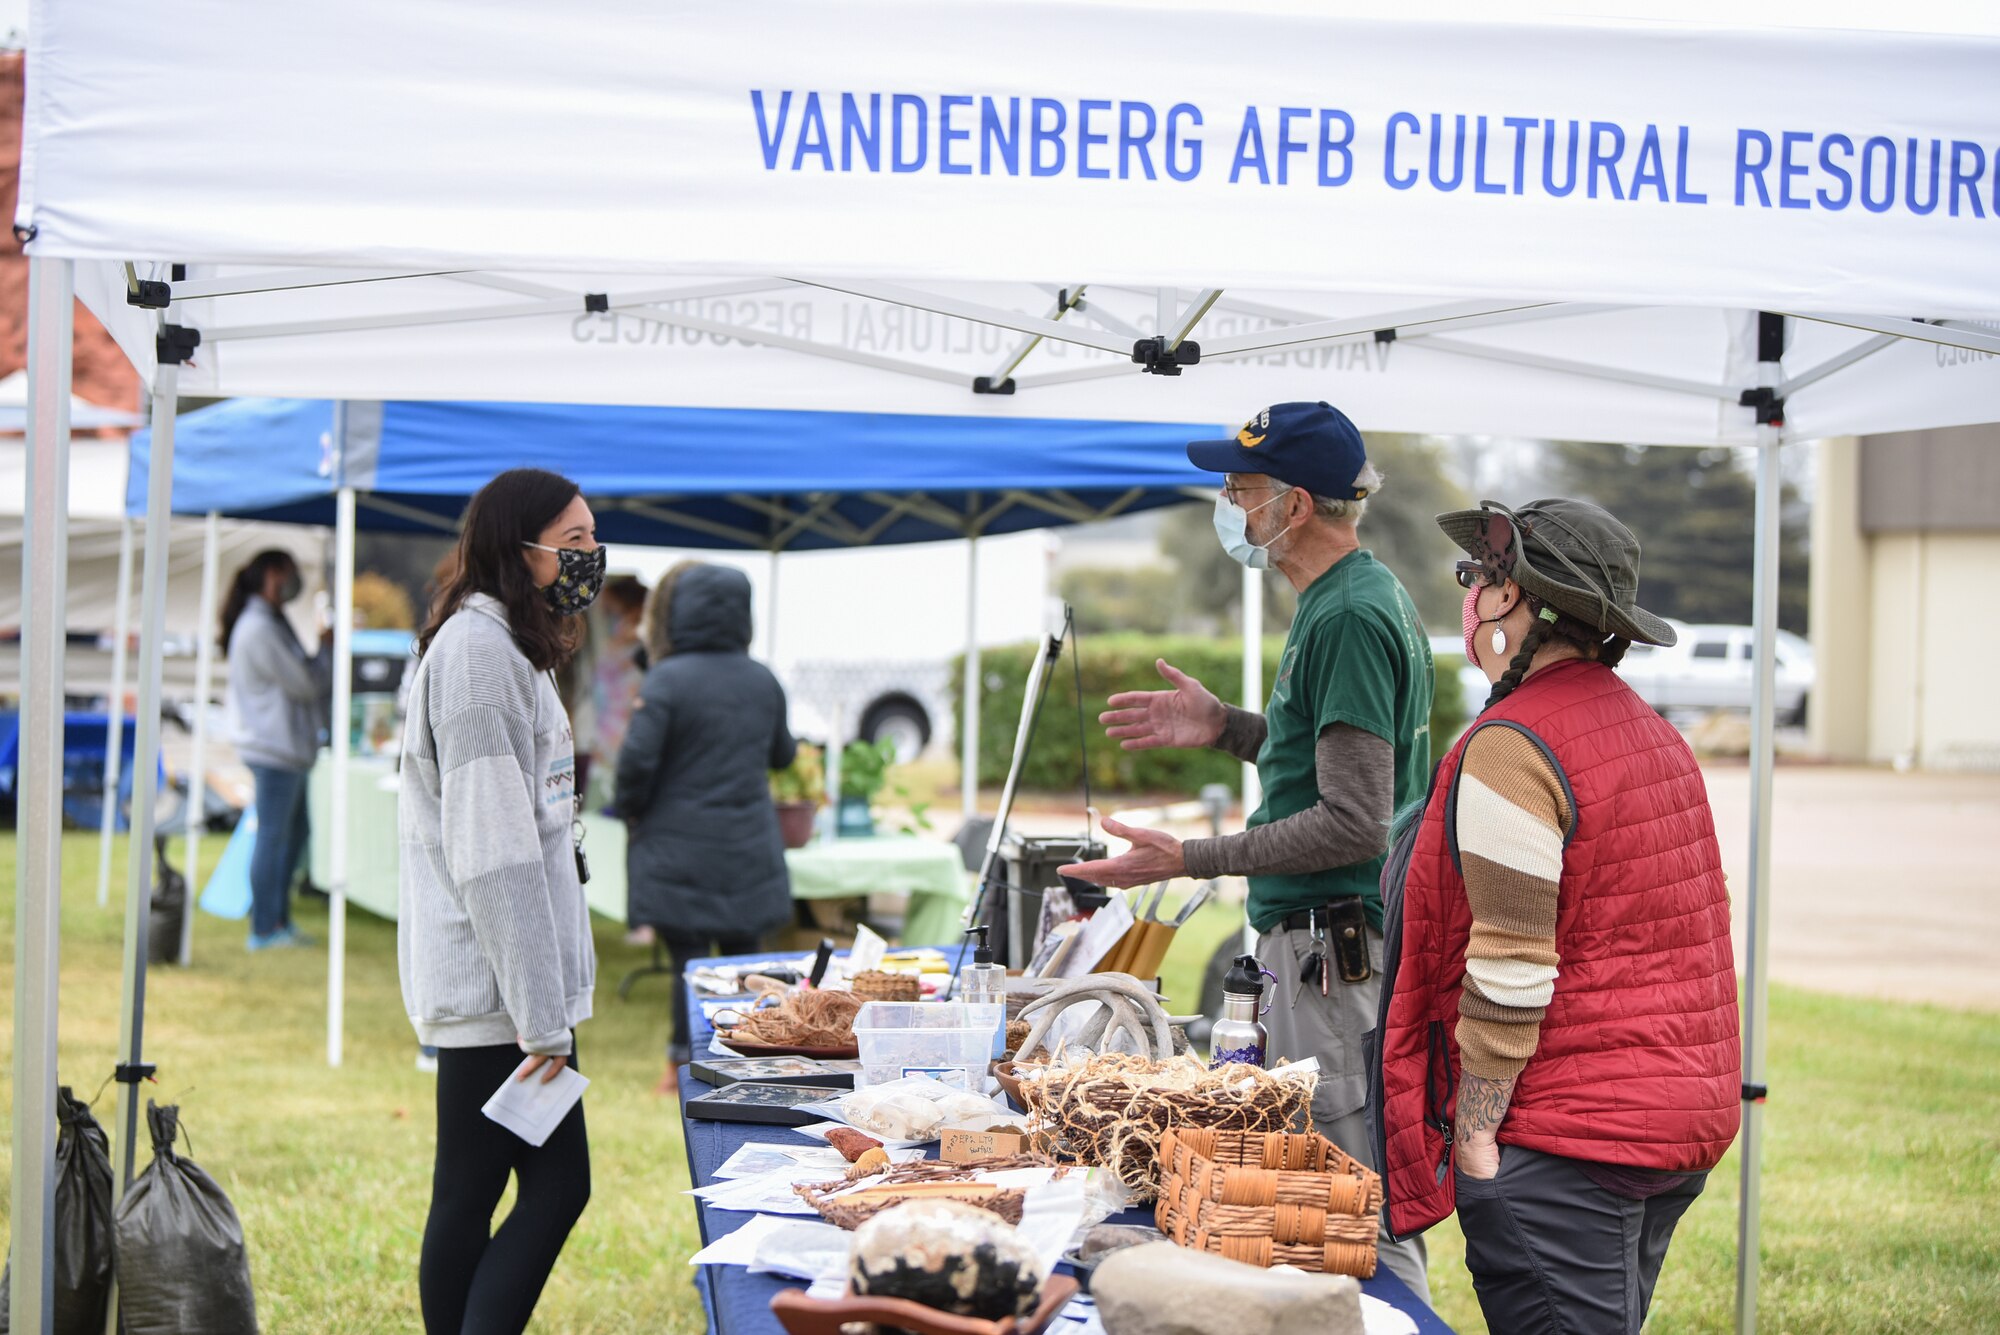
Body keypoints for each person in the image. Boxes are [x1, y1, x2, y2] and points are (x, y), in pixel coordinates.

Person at [1060, 401, 1435, 1302]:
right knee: (1315, 1213)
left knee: (1349, 1217)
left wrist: (1186, 856)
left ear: (1296, 504)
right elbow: (1326, 767)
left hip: (1332, 959)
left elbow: (1353, 819)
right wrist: (1230, 726)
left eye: (1242, 485)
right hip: (1317, 954)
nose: (1228, 500)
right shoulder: (1346, 599)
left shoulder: (1346, 614)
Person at [1374, 499, 1740, 1334]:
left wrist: (1474, 1136)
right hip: (1666, 1120)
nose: (1467, 597)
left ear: (1517, 600)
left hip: (1567, 1136)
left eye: (1476, 578)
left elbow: (1511, 969)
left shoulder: (1514, 744)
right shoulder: (1651, 733)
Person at [398, 467, 604, 1335]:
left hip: (504, 985)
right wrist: (541, 1014)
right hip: (499, 990)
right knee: (558, 1186)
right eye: (576, 543)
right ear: (518, 548)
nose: (591, 558)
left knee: (471, 1190)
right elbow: (495, 855)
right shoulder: (479, 658)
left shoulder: (500, 646)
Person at [615, 560, 797, 1094]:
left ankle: (680, 1065)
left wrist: (631, 809)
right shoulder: (763, 679)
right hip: (747, 846)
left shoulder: (666, 679)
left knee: (688, 965)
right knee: (747, 963)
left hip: (678, 847)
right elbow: (783, 755)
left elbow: (635, 766)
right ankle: (752, 1052)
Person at [220, 548, 331, 951]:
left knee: (292, 834)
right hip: (273, 749)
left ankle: (276, 920)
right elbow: (305, 683)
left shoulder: (267, 622)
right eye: (289, 573)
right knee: (273, 837)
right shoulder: (259, 628)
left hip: (282, 748)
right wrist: (326, 653)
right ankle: (265, 928)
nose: (294, 581)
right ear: (270, 575)